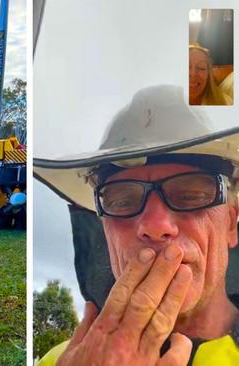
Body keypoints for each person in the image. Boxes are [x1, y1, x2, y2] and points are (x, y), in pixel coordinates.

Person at [35, 85, 239, 365]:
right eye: (122, 201)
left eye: (191, 195)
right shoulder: (56, 361)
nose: (156, 226)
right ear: (104, 230)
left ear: (230, 221)